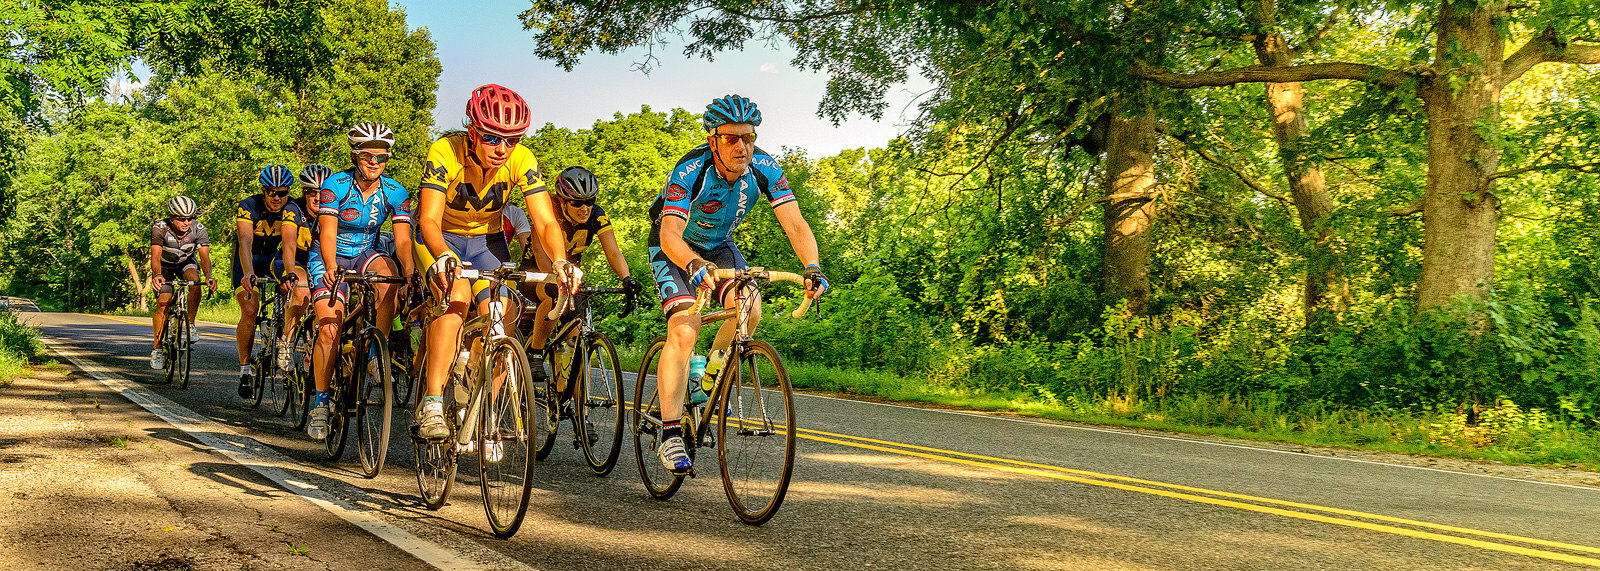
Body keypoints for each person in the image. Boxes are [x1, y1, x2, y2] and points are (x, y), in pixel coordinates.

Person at [646, 94, 829, 475]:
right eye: (731, 138)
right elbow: (669, 235)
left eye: (748, 136)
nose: (742, 146)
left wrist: (812, 266)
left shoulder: (765, 167)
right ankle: (670, 434)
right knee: (684, 328)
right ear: (713, 139)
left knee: (750, 307)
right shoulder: (689, 170)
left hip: (719, 246)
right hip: (675, 247)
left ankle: (707, 374)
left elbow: (795, 224)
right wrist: (693, 263)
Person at [411, 83, 581, 441]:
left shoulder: (522, 160)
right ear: (473, 132)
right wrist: (443, 255)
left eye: (512, 139)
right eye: (492, 138)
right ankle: (431, 405)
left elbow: (546, 221)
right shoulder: (446, 151)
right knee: (455, 299)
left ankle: (480, 397)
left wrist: (561, 261)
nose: (502, 149)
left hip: (488, 241)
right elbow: (427, 219)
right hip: (442, 236)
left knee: (502, 313)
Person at [305, 123, 415, 440]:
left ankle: (372, 356)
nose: (374, 162)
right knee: (329, 327)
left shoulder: (396, 192)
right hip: (329, 255)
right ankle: (322, 404)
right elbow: (326, 232)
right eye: (367, 155)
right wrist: (328, 266)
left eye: (381, 157)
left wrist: (408, 270)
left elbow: (403, 241)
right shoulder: (335, 186)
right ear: (355, 155)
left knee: (390, 277)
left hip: (367, 250)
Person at [522, 166, 641, 403]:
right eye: (576, 203)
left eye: (589, 201)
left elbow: (614, 252)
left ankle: (579, 413)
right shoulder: (547, 211)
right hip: (537, 271)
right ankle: (535, 351)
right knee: (554, 293)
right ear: (563, 201)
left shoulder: (597, 215)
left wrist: (626, 279)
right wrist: (555, 277)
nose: (584, 208)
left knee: (574, 345)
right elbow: (538, 249)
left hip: (570, 275)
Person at [232, 165, 297, 398]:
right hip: (248, 260)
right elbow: (245, 240)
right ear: (263, 190)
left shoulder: (293, 208)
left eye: (282, 192)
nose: (277, 197)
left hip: (275, 261)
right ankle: (245, 370)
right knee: (250, 310)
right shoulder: (248, 206)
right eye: (271, 192)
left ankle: (283, 335)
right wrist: (248, 272)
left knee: (294, 293)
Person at [272, 164, 333, 371]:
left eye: (322, 192)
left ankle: (313, 342)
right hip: (293, 260)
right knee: (301, 286)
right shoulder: (293, 209)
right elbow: (288, 245)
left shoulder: (335, 210)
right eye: (311, 192)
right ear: (303, 193)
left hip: (321, 261)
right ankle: (287, 341)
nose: (317, 197)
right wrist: (290, 272)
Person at [150, 195, 218, 370]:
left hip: (186, 264)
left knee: (195, 281)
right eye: (181, 219)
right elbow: (155, 257)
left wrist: (209, 276)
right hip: (164, 267)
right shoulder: (160, 228)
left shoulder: (199, 229)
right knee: (163, 303)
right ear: (172, 217)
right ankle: (157, 348)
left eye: (189, 218)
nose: (186, 222)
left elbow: (204, 258)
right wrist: (157, 274)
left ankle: (191, 325)